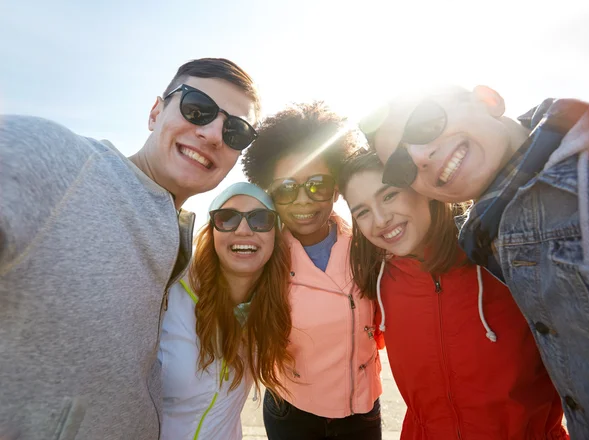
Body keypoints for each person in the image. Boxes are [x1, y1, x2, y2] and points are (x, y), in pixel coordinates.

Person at [0, 58, 260, 440]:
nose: (213, 134)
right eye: (197, 108)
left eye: (236, 131)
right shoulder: (61, 162)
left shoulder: (176, 238)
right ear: (155, 112)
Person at [363, 87, 589, 438]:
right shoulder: (486, 236)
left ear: (489, 100)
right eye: (400, 166)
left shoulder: (587, 177)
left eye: (425, 123)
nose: (419, 156)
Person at [338, 150, 568, 439]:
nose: (381, 219)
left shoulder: (505, 260)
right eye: (362, 211)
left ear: (425, 188)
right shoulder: (378, 283)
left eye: (389, 195)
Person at [242, 102, 383, 440]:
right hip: (292, 412)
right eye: (286, 188)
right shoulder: (258, 259)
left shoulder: (370, 247)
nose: (303, 200)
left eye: (317, 184)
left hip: (363, 411)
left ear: (336, 189)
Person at [159, 182, 292, 440]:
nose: (243, 230)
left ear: (275, 235)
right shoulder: (169, 291)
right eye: (227, 218)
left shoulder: (271, 309)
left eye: (261, 219)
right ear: (212, 231)